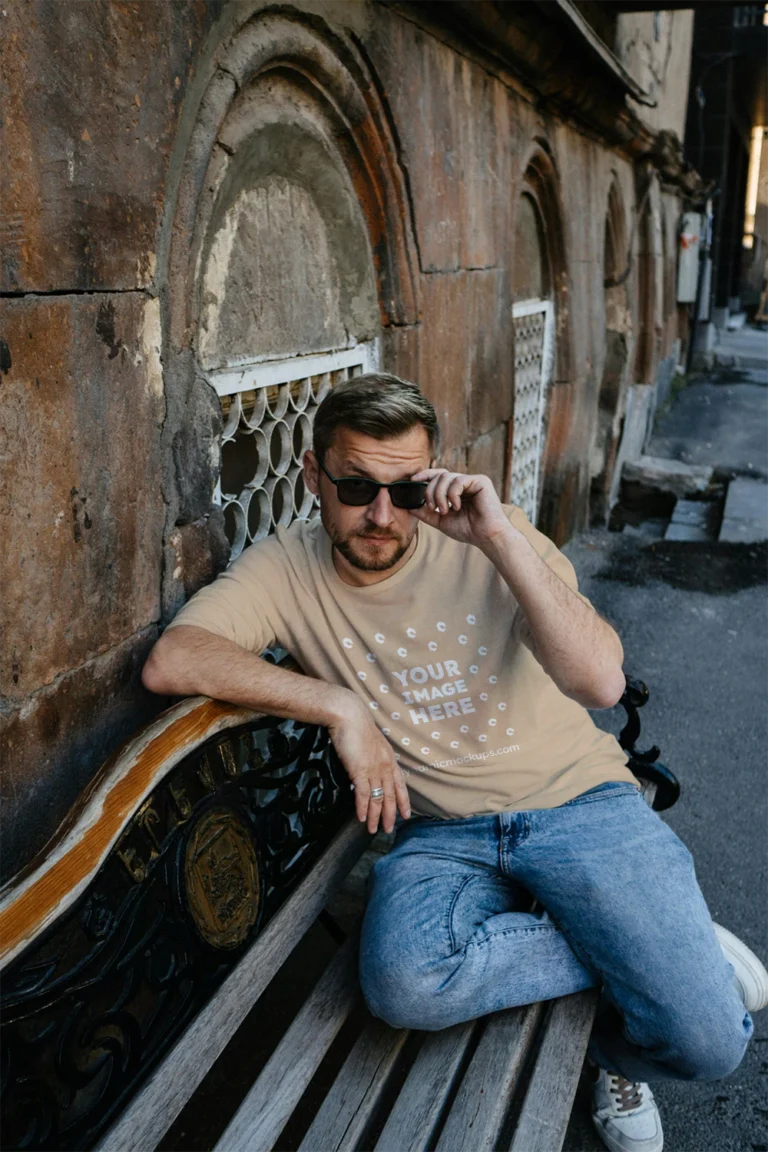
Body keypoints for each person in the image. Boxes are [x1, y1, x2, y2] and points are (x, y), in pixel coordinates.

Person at [142, 373, 767, 1152]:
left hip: (580, 800)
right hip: (442, 834)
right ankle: (653, 945)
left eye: (403, 492)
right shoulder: (285, 569)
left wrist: (500, 539)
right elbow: (174, 659)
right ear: (312, 476)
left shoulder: (489, 537)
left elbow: (600, 680)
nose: (379, 515)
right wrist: (342, 706)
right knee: (403, 982)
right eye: (354, 486)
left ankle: (615, 1046)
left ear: (433, 476)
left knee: (711, 1041)